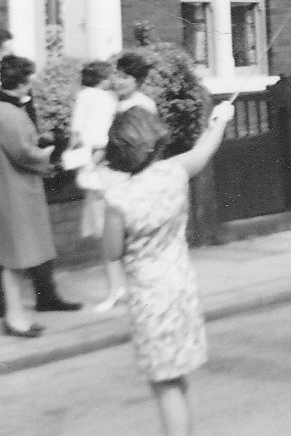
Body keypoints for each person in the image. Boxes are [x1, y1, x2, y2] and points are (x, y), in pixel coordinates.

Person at [103, 99, 234, 436]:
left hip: (149, 299)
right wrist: (219, 119)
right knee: (176, 378)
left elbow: (112, 250)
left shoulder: (118, 199)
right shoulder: (175, 172)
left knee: (164, 385)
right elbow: (204, 150)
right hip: (180, 288)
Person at [0, 55, 55, 337]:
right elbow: (23, 152)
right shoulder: (8, 112)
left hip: (9, 191)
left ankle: (15, 315)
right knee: (14, 259)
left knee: (13, 259)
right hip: (14, 192)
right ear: (20, 84)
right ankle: (15, 318)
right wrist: (47, 153)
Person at [67, 60, 126, 311]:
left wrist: (81, 161)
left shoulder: (86, 97)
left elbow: (77, 135)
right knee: (120, 231)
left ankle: (116, 288)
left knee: (107, 233)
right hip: (110, 168)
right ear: (102, 79)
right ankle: (121, 287)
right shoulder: (105, 98)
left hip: (97, 171)